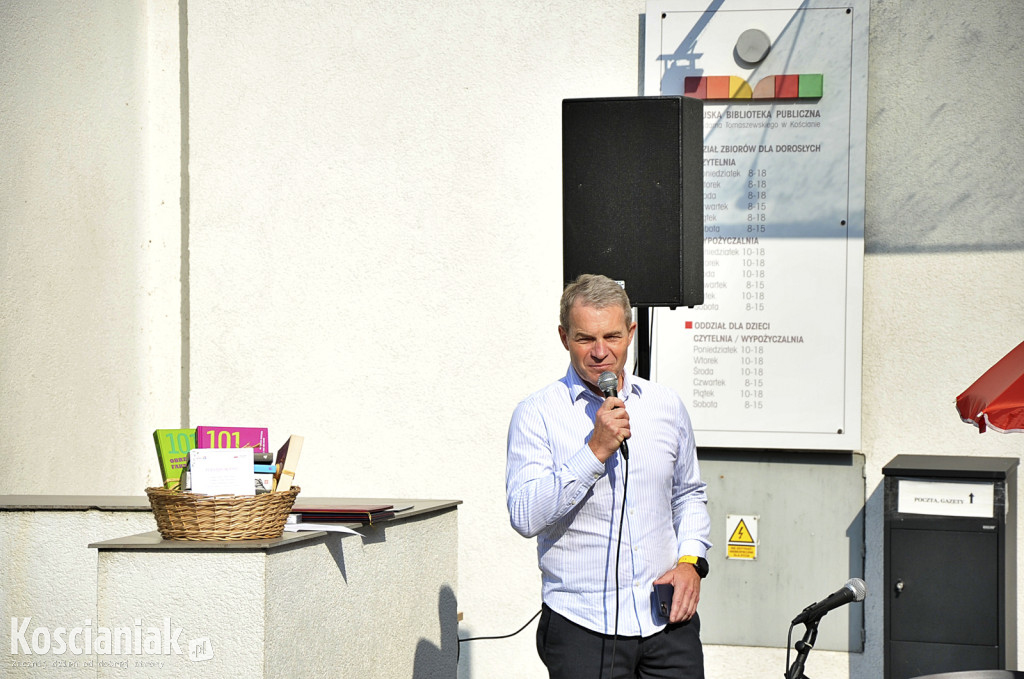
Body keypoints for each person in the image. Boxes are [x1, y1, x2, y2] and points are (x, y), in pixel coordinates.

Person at [506, 273, 712, 679]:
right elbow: (525, 516)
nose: (601, 352)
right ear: (564, 337)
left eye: (612, 337)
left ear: (631, 332)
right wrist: (594, 451)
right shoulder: (536, 414)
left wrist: (691, 561)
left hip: (666, 622)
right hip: (583, 626)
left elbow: (688, 494)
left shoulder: (665, 405)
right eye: (585, 339)